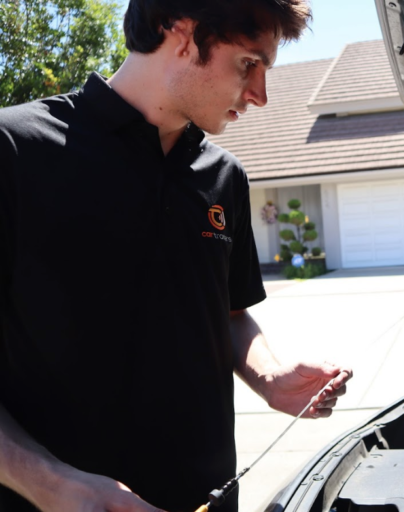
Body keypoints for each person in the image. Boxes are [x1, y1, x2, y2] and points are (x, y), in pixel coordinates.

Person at [0, 1, 352, 511]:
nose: (261, 96)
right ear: (181, 33)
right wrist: (50, 484)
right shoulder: (15, 150)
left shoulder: (224, 177)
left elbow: (228, 314)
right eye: (249, 64)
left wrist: (270, 377)